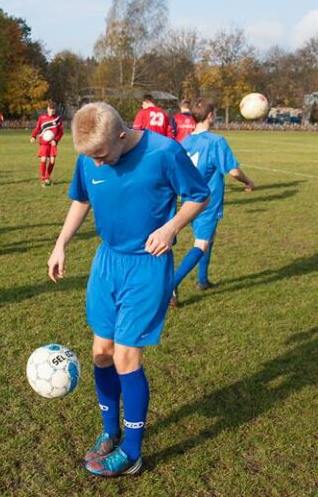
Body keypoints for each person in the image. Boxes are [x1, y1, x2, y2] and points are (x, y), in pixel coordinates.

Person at [47, 102, 209, 476]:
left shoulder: (165, 152)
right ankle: (110, 431)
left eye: (102, 155)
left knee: (125, 357)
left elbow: (199, 194)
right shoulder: (90, 155)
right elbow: (81, 199)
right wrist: (61, 244)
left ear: (122, 135)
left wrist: (171, 228)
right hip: (107, 263)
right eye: (90, 157)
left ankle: (133, 453)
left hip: (146, 265)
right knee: (101, 352)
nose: (97, 164)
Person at [170, 98, 255, 307]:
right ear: (209, 115)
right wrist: (249, 181)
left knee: (209, 237)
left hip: (187, 201)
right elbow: (233, 171)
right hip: (207, 201)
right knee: (202, 244)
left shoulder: (184, 142)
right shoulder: (216, 141)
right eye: (215, 112)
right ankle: (169, 288)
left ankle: (202, 280)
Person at [30, 100, 63, 186]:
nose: (52, 111)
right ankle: (42, 178)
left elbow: (60, 132)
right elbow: (37, 128)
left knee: (52, 161)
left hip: (52, 143)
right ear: (47, 109)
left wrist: (55, 140)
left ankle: (47, 177)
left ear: (55, 110)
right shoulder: (42, 118)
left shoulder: (58, 119)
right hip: (44, 142)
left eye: (53, 110)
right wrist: (33, 136)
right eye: (50, 109)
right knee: (43, 159)